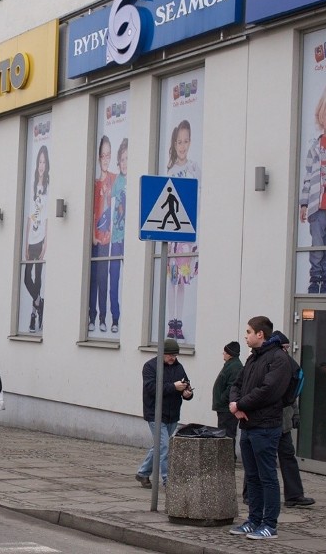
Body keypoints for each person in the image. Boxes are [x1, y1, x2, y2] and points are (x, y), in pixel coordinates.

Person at [228, 316, 291, 540]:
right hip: (247, 425)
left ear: (260, 334)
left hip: (265, 427)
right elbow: (237, 384)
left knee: (267, 477)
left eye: (248, 332)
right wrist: (235, 406)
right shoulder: (253, 358)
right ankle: (253, 520)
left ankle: (269, 524)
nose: (245, 336)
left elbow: (269, 391)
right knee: (252, 476)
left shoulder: (278, 359)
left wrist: (241, 404)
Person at [135, 338, 193, 488]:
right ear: (161, 353)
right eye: (169, 355)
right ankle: (168, 480)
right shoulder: (150, 367)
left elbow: (186, 385)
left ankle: (142, 473)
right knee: (165, 446)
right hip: (155, 413)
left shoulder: (179, 367)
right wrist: (174, 387)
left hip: (172, 413)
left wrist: (187, 393)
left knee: (160, 446)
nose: (172, 358)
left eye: (175, 355)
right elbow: (151, 389)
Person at [299, 82, 326, 294]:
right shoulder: (315, 148)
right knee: (317, 244)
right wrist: (304, 204)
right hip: (316, 206)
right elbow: (307, 178)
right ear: (320, 116)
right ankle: (315, 279)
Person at [165, 120, 200, 341]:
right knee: (172, 280)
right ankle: (172, 320)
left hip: (188, 234)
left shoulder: (195, 168)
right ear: (174, 143)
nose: (182, 146)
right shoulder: (170, 170)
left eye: (186, 141)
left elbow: (197, 200)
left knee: (182, 283)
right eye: (179, 141)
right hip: (174, 233)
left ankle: (180, 322)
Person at [272, 331, 315, 508]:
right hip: (267, 422)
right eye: (285, 347)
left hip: (284, 424)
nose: (287, 351)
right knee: (261, 460)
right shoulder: (269, 363)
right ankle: (250, 494)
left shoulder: (288, 365)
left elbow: (292, 395)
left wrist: (295, 415)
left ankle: (294, 495)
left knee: (288, 458)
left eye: (288, 348)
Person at [89, 135, 116, 333]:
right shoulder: (95, 183)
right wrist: (92, 235)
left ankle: (104, 318)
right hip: (95, 240)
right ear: (98, 158)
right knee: (92, 280)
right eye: (103, 155)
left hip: (109, 239)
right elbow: (91, 212)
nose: (105, 159)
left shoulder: (115, 179)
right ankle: (91, 316)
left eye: (108, 155)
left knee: (104, 281)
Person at [24, 145, 49, 332]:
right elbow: (29, 217)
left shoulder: (48, 187)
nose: (41, 165)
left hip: (40, 240)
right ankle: (40, 303)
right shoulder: (33, 187)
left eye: (43, 161)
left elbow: (46, 217)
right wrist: (25, 242)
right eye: (39, 161)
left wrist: (45, 244)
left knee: (38, 278)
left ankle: (33, 316)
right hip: (31, 240)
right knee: (26, 278)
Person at [108, 138, 127, 333]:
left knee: (129, 281)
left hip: (131, 240)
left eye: (128, 159)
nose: (125, 163)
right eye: (122, 159)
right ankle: (115, 317)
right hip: (116, 239)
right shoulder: (115, 182)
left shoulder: (135, 179)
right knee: (114, 280)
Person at [212, 341, 243, 459]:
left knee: (227, 434)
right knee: (225, 433)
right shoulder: (231, 364)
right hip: (224, 407)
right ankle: (226, 458)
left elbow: (232, 387)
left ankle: (227, 459)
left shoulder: (235, 366)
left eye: (224, 352)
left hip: (227, 408)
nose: (223, 354)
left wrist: (221, 399)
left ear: (230, 354)